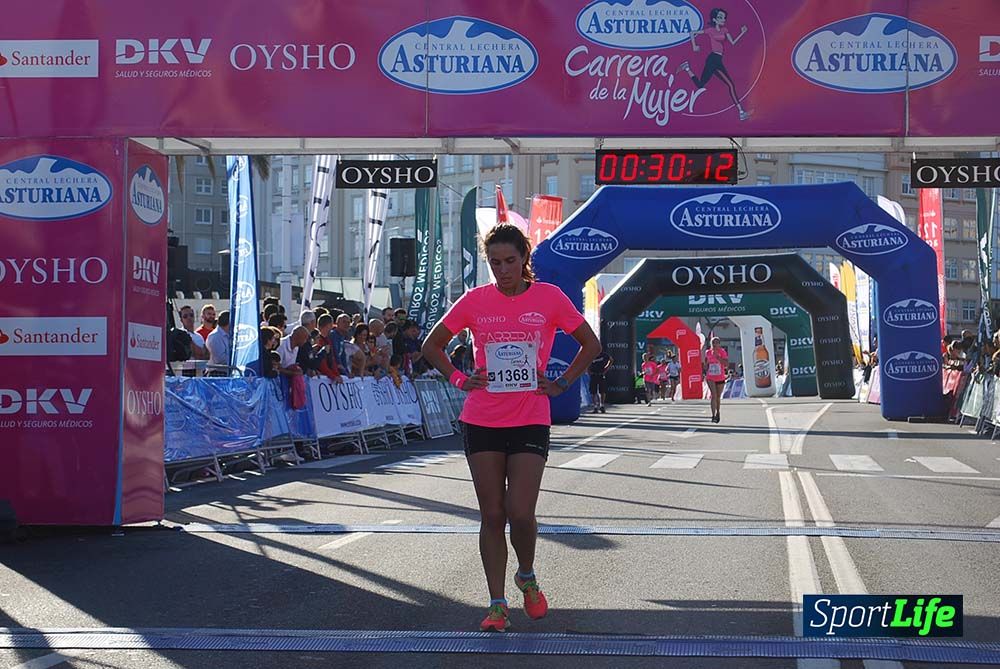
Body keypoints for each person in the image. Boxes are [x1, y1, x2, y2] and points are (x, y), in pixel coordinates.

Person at [421, 223, 601, 633]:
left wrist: (561, 383)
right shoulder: (474, 301)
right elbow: (432, 345)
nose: (503, 270)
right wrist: (459, 379)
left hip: (530, 415)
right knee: (492, 514)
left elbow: (590, 344)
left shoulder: (550, 298)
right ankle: (497, 603)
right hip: (482, 417)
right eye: (495, 263)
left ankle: (526, 574)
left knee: (520, 513)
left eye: (510, 262)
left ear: (525, 260)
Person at [677, 7, 751, 121]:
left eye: (724, 18)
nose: (723, 19)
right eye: (720, 17)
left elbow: (733, 42)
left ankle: (687, 68)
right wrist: (694, 46)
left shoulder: (725, 30)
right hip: (713, 59)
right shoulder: (710, 30)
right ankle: (741, 112)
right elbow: (692, 32)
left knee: (702, 85)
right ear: (714, 19)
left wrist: (742, 33)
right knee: (729, 85)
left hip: (718, 59)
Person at [704, 337, 729, 423]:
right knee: (713, 395)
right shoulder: (708, 352)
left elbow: (726, 364)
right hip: (710, 377)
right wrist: (705, 369)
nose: (715, 345)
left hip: (720, 377)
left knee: (718, 397)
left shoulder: (722, 352)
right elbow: (706, 363)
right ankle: (713, 415)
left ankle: (718, 412)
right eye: (713, 343)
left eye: (717, 343)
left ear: (719, 344)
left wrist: (718, 358)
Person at [205, 310, 231, 374]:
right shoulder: (215, 336)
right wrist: (236, 359)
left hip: (226, 372)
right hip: (217, 373)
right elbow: (220, 359)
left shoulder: (227, 335)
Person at [588, 345, 613, 413]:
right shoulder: (591, 354)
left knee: (602, 391)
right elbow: (586, 362)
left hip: (601, 374)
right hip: (593, 374)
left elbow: (611, 360)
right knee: (593, 391)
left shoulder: (604, 355)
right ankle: (595, 406)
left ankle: (602, 405)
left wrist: (606, 368)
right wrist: (588, 371)